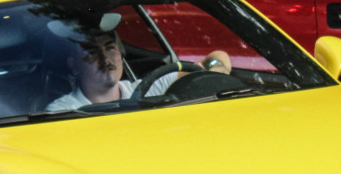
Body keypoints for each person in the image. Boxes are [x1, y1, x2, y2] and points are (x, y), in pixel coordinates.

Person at [44, 16, 230, 112]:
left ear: (120, 53)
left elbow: (216, 57)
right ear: (74, 66)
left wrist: (215, 70)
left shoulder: (149, 88)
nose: (105, 58)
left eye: (110, 48)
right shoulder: (63, 111)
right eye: (92, 52)